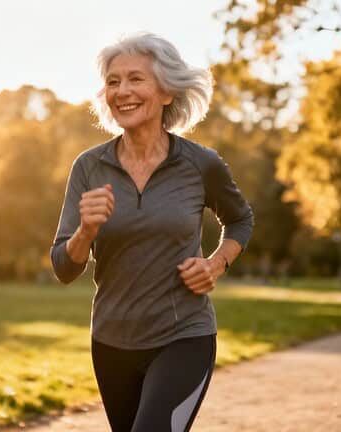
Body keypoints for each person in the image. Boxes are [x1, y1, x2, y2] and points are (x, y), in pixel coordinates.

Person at [50, 32, 254, 432]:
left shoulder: (200, 164)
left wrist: (216, 263)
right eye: (113, 81)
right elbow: (63, 267)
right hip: (111, 341)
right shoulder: (89, 168)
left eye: (135, 79)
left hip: (184, 336)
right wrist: (85, 232)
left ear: (166, 92)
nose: (122, 91)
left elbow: (241, 219)